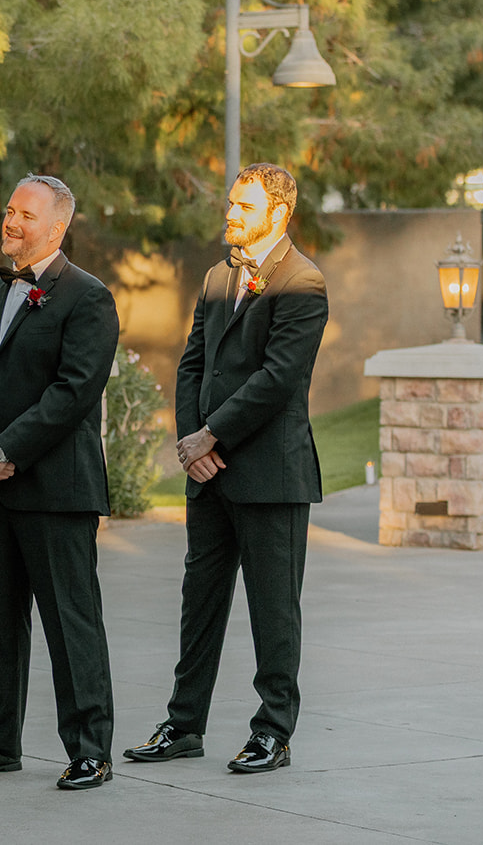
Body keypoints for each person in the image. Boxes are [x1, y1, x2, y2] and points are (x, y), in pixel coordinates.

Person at [122, 162, 328, 774]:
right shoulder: (217, 276)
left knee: (273, 610)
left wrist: (213, 434)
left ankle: (272, 732)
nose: (230, 215)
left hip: (271, 476)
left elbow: (276, 380)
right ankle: (184, 725)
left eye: (243, 206)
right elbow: (193, 366)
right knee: (200, 602)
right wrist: (192, 440)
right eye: (231, 203)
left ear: (279, 214)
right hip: (207, 473)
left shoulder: (303, 282)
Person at [0, 174, 120, 790]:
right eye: (9, 210)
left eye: (25, 214)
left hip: (54, 490)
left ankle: (90, 748)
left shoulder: (87, 297)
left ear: (58, 226)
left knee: (71, 623)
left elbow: (74, 391)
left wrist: (10, 449)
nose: (10, 222)